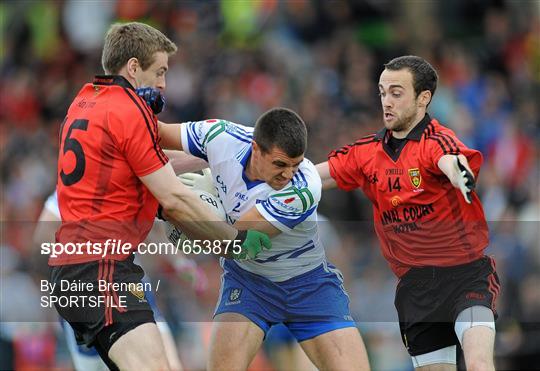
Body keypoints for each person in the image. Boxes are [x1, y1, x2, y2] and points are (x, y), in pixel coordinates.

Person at [50, 22, 270, 370]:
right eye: (160, 71)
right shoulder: (129, 109)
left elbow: (146, 164)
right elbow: (175, 201)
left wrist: (212, 153)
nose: (164, 84)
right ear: (134, 68)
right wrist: (236, 241)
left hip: (80, 270)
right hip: (101, 270)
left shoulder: (86, 100)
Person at [317, 55, 500, 370]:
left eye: (397, 93)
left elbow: (450, 159)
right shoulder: (365, 153)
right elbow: (313, 176)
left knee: (479, 363)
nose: (386, 101)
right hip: (416, 291)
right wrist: (259, 176)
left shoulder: (436, 140)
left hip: (466, 278)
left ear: (423, 98)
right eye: (383, 92)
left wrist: (459, 173)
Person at [158, 107, 370, 370]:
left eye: (296, 164)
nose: (288, 174)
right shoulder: (221, 135)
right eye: (280, 164)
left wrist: (175, 205)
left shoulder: (304, 188)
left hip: (308, 284)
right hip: (250, 283)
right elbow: (157, 132)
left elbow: (235, 240)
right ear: (255, 149)